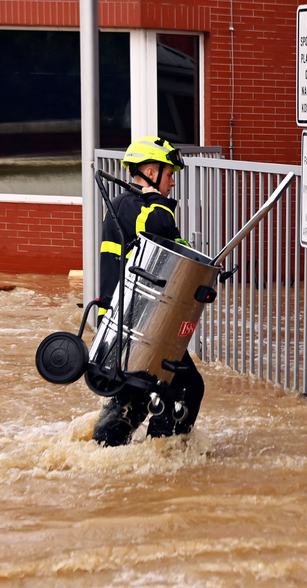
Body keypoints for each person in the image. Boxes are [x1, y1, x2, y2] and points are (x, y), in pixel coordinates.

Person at [92, 136, 204, 447]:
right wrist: (157, 199)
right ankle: (162, 456)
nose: (172, 184)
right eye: (170, 175)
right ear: (151, 172)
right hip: (130, 324)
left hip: (142, 323)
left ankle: (119, 452)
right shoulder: (129, 205)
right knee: (184, 387)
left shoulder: (136, 205)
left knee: (143, 394)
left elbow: (178, 250)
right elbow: (157, 225)